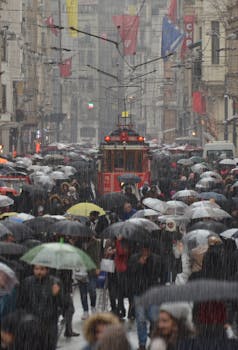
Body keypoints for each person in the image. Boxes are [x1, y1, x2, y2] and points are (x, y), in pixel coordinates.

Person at [17, 265, 63, 350]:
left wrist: (56, 295)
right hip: (32, 323)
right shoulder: (27, 282)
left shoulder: (55, 282)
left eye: (42, 269)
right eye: (36, 269)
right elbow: (21, 302)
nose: (39, 272)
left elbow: (62, 304)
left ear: (47, 270)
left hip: (49, 324)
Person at [129, 244, 163, 350]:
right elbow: (130, 273)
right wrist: (139, 264)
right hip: (139, 293)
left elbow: (159, 274)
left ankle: (154, 340)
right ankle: (142, 344)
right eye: (143, 249)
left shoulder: (156, 259)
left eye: (147, 249)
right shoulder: (134, 258)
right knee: (140, 319)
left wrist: (147, 264)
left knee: (154, 318)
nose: (145, 251)